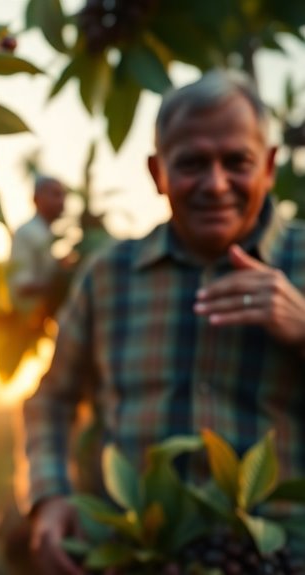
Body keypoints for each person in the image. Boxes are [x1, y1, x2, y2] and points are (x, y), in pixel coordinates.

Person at [19, 69, 305, 575]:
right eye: (192, 163)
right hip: (135, 557)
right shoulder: (109, 275)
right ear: (157, 173)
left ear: (269, 166)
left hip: (278, 557)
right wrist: (50, 494)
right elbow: (53, 399)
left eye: (236, 162)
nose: (216, 184)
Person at [8, 175, 73, 323]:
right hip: (25, 324)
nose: (62, 201)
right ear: (36, 199)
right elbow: (21, 285)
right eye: (56, 194)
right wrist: (65, 282)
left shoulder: (47, 234)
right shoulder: (27, 232)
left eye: (63, 196)